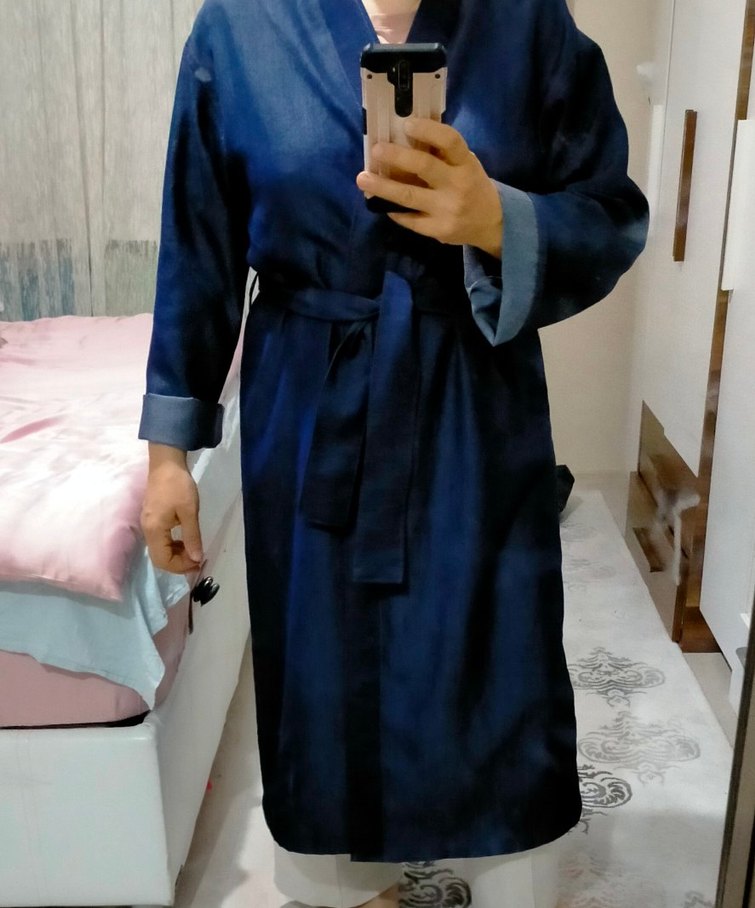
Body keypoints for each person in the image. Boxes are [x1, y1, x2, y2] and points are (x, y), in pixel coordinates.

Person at [138, 0, 649, 905]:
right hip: (309, 408)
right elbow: (199, 246)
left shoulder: (526, 20)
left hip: (475, 406)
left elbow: (609, 212)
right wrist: (169, 454)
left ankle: (506, 866)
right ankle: (338, 884)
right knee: (322, 670)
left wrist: (497, 219)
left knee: (494, 658)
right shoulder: (242, 25)